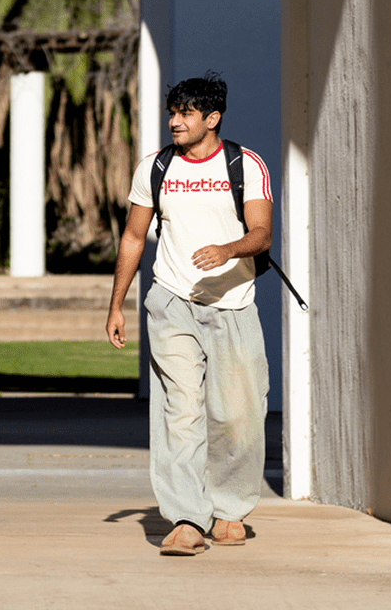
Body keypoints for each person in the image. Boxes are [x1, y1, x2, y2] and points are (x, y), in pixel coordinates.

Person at [106, 71, 272, 556]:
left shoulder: (245, 164)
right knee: (179, 412)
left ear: (212, 118)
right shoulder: (155, 168)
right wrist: (117, 304)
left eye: (186, 114)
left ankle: (229, 508)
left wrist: (228, 250)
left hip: (232, 303)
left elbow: (262, 233)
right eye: (172, 114)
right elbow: (133, 237)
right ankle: (185, 517)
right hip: (172, 300)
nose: (175, 122)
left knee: (238, 415)